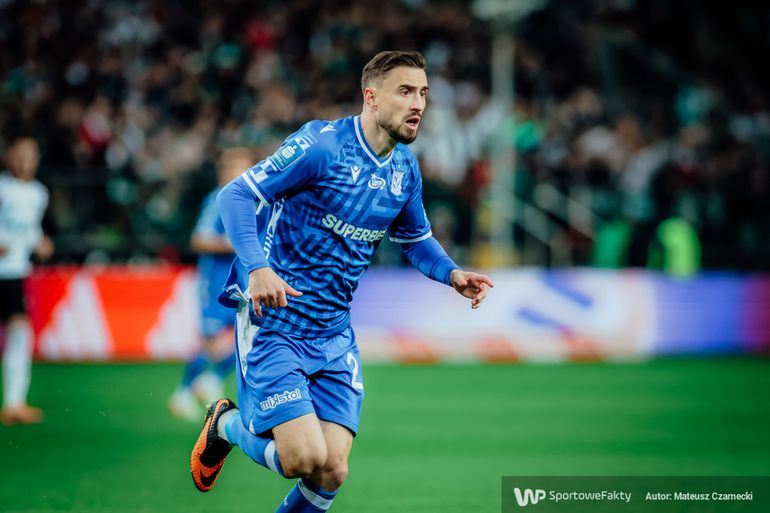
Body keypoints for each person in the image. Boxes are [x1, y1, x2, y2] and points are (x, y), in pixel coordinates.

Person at [190, 51, 493, 512]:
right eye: (405, 91)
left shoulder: (404, 169)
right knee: (302, 457)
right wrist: (257, 268)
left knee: (332, 469)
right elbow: (235, 195)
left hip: (333, 333)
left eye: (423, 93)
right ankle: (226, 425)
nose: (418, 104)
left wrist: (452, 273)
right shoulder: (322, 146)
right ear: (371, 98)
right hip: (276, 323)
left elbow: (416, 239)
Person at [169, 148, 256, 421]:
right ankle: (184, 392)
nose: (239, 174)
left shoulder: (252, 200)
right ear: (223, 172)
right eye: (233, 168)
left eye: (244, 168)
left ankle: (210, 380)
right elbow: (199, 239)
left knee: (248, 338)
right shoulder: (218, 200)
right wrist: (237, 244)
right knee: (212, 344)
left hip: (242, 283)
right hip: (216, 282)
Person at [0, 136, 53, 425]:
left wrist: (40, 242)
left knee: (20, 332)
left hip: (14, 271)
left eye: (30, 155)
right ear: (10, 156)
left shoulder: (38, 193)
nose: (24, 161)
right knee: (19, 332)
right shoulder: (3, 188)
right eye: (20, 154)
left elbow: (30, 229)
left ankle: (14, 403)